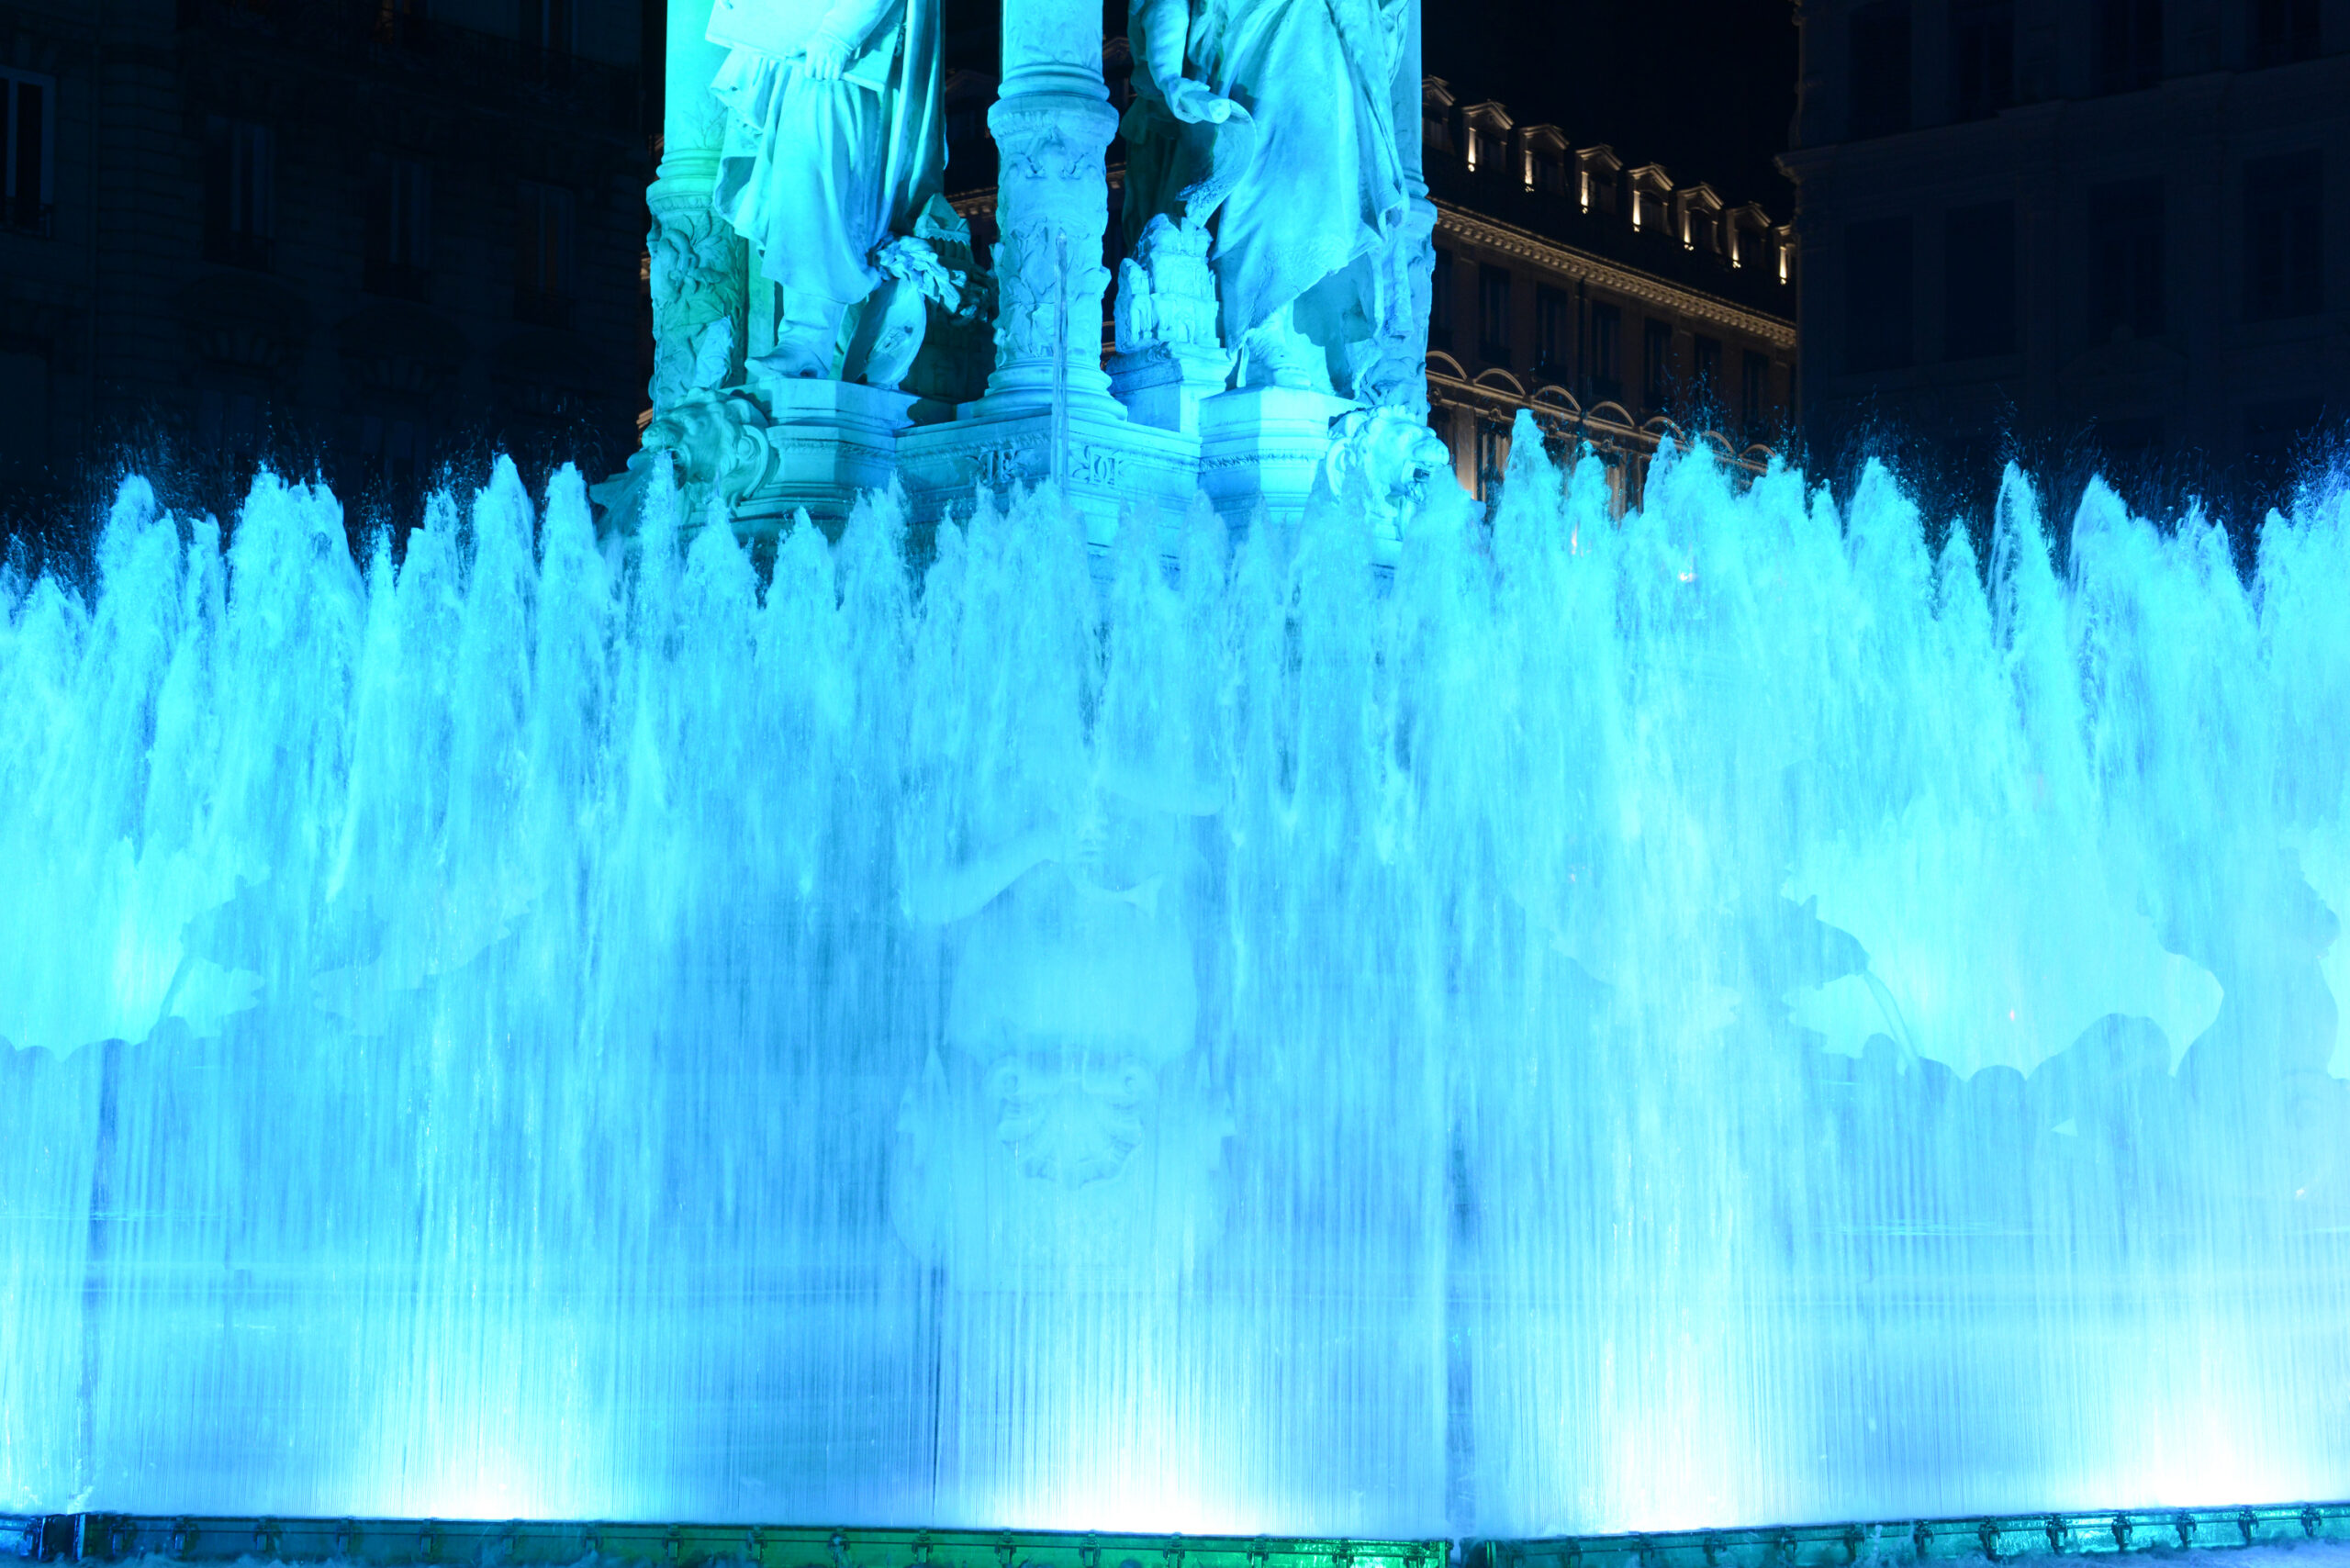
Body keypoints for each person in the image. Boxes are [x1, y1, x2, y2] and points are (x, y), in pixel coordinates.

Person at [1125, 0, 1412, 393]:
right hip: (1254, 39)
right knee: (1274, 172)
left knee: (1323, 181)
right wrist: (1169, 75)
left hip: (1330, 36)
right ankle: (1260, 324)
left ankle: (1299, 331)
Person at [704, 0, 955, 383]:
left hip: (845, 55)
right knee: (801, 190)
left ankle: (807, 340)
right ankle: (806, 341)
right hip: (805, 48)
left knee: (817, 187)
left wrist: (840, 33)